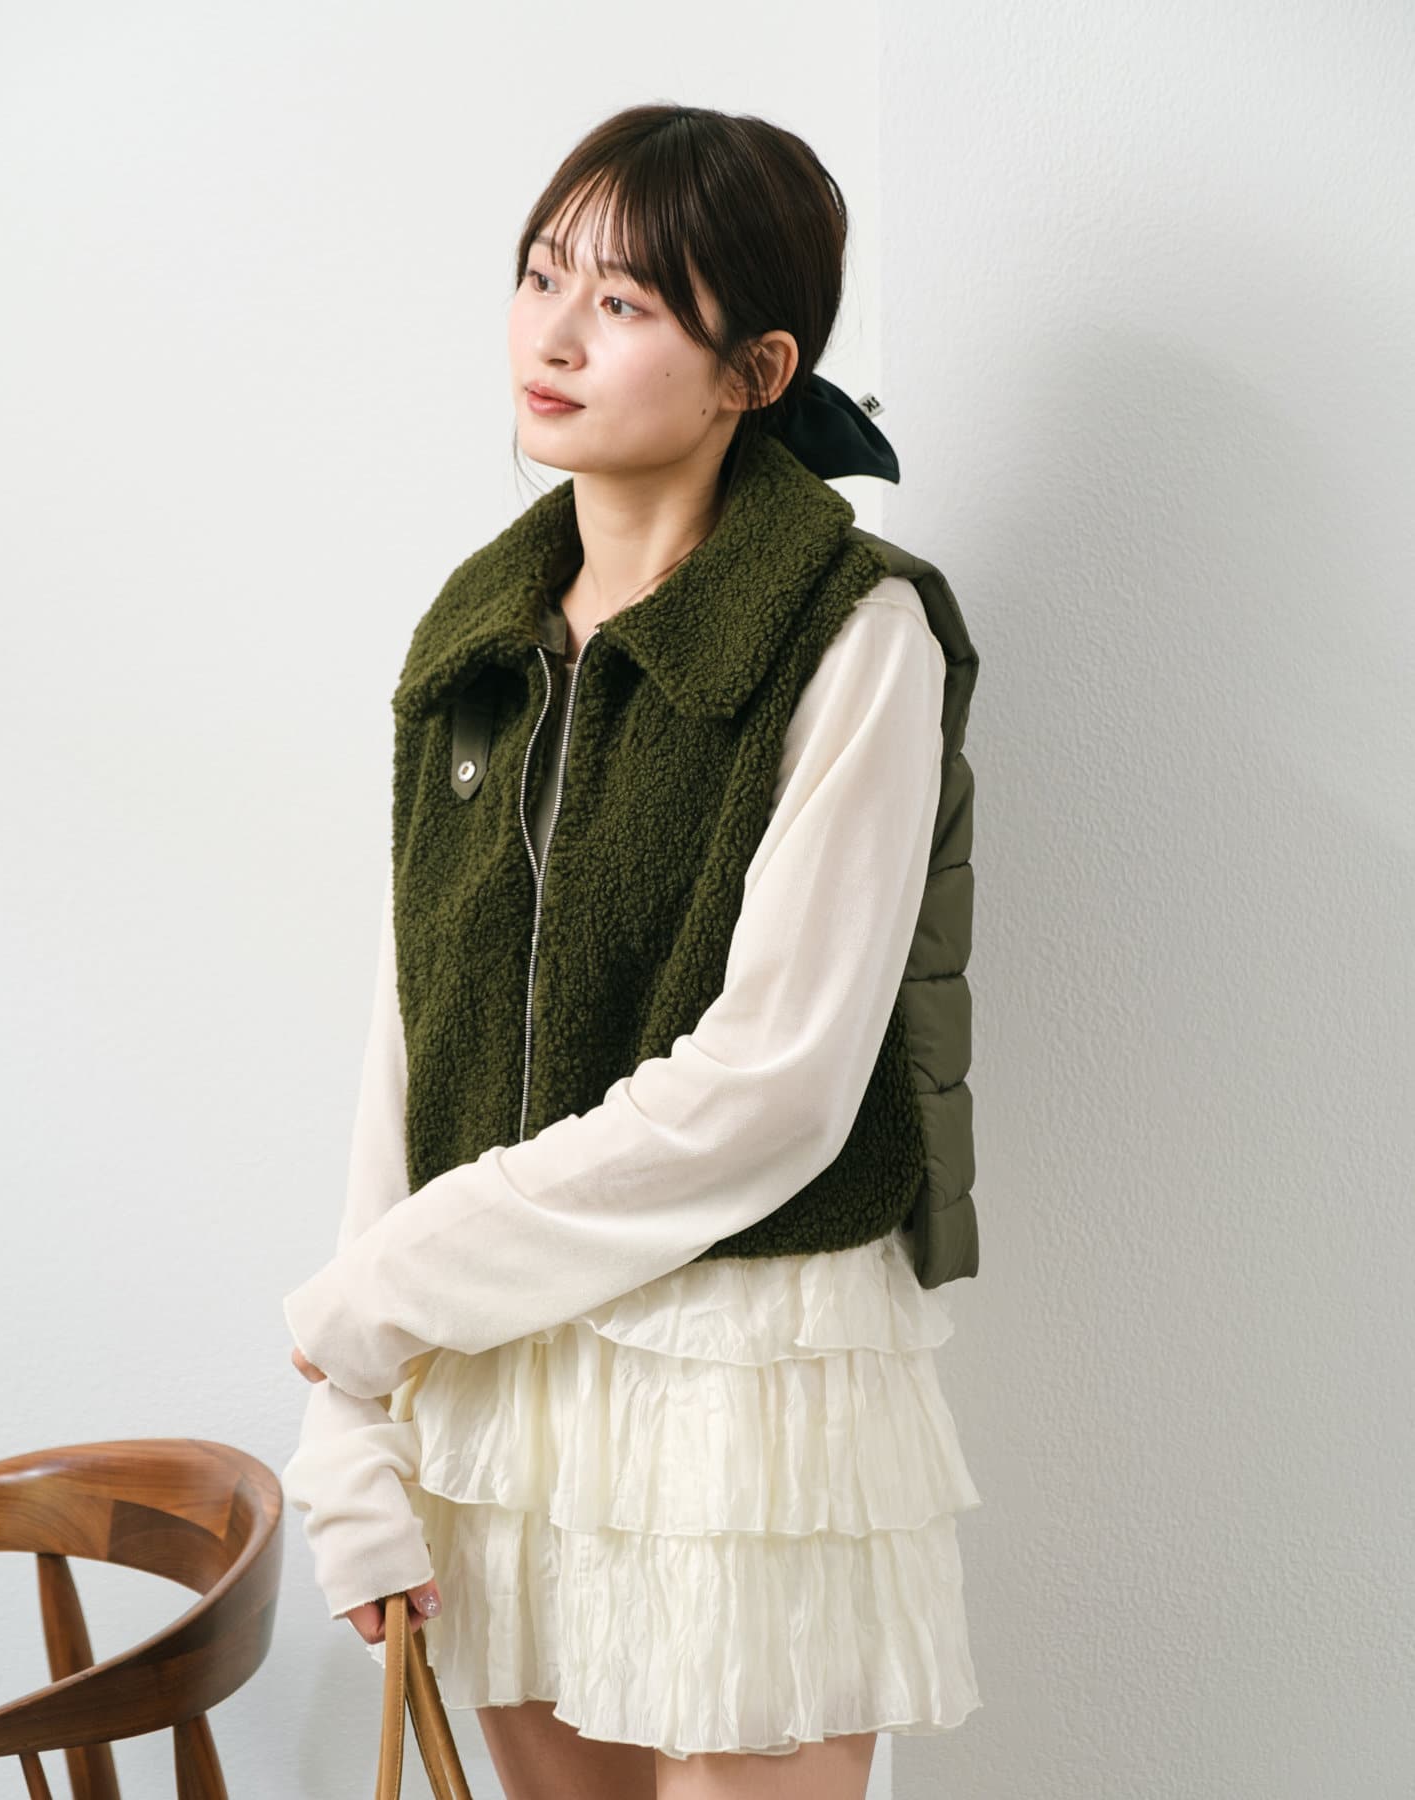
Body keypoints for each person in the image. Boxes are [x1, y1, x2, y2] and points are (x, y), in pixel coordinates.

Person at [280, 101, 983, 1800]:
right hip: (499, 1380)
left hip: (745, 1375)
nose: (554, 335)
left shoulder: (853, 632)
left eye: (624, 301)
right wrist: (345, 1422)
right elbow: (414, 1037)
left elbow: (774, 1091)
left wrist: (384, 1302)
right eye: (541, 277)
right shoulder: (474, 643)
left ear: (756, 370)